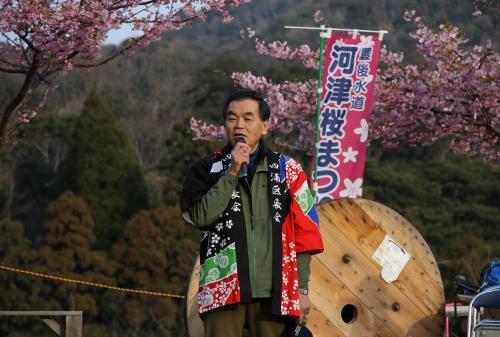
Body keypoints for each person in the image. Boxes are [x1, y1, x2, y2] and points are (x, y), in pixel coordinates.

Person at [181, 89, 324, 337]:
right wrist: (232, 173)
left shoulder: (288, 170)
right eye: (231, 118)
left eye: (248, 118)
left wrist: (301, 290)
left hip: (275, 291)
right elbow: (201, 216)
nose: (239, 126)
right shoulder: (205, 170)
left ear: (265, 125)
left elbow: (305, 233)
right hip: (222, 288)